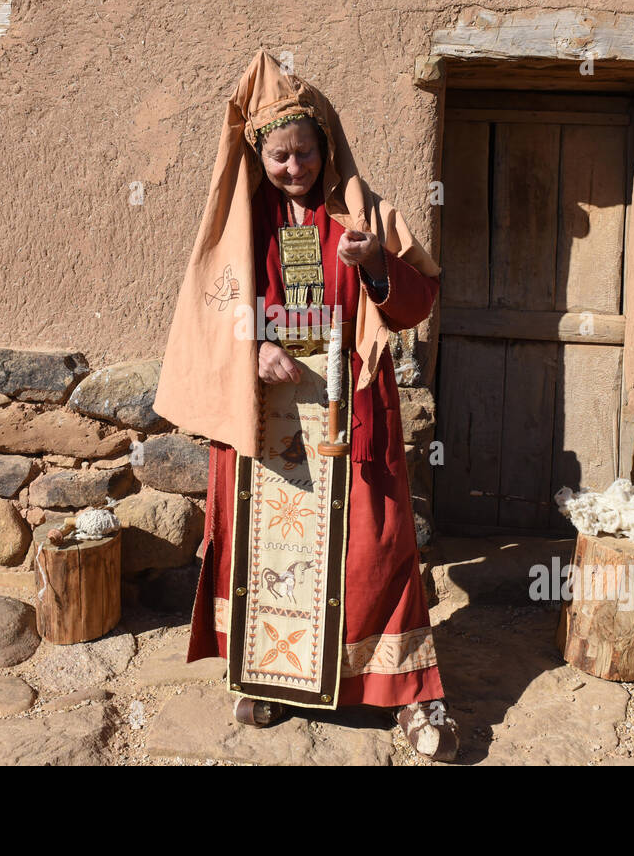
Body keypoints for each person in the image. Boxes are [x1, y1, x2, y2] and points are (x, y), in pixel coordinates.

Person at [153, 49, 458, 761]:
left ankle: (411, 697)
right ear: (260, 156)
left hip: (351, 408)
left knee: (374, 548)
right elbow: (214, 311)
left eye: (306, 153)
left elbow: (418, 301)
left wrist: (376, 266)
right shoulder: (241, 227)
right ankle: (264, 678)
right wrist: (251, 345)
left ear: (326, 144)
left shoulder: (366, 212)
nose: (295, 169)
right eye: (280, 157)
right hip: (266, 412)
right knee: (261, 551)